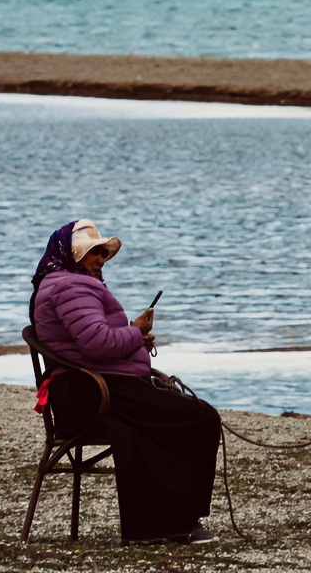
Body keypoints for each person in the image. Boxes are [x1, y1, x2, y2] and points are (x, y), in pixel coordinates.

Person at [30, 219, 221, 547]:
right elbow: (98, 343)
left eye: (103, 253)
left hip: (88, 390)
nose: (101, 258)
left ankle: (159, 525)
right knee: (201, 418)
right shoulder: (71, 287)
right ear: (72, 255)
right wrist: (135, 332)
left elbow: (89, 343)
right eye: (94, 252)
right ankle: (180, 520)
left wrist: (133, 339)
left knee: (151, 426)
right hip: (92, 393)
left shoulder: (62, 283)